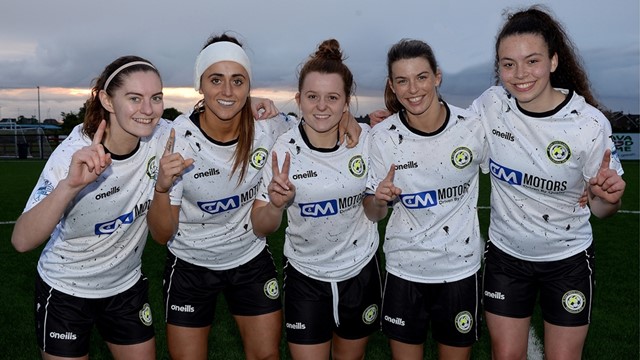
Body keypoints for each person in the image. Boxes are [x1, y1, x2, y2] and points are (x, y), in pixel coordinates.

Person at [147, 33, 361, 360]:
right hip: (190, 264)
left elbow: (316, 120)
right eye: (216, 80)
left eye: (238, 81)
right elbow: (162, 235)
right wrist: (161, 189)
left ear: (249, 86)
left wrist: (347, 119)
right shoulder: (178, 138)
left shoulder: (269, 128)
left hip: (249, 259)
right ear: (200, 84)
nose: (228, 91)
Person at [470, 7, 626, 360]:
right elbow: (443, 132)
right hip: (506, 257)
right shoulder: (491, 106)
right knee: (506, 355)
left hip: (567, 258)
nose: (520, 74)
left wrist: (608, 196)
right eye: (508, 64)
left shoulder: (588, 124)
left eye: (532, 61)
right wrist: (381, 122)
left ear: (554, 61)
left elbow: (602, 210)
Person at [11, 55, 169, 359]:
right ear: (108, 101)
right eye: (134, 98)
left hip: (125, 286)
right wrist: (69, 186)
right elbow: (21, 240)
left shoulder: (162, 135)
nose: (148, 110)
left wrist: (255, 106)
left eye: (156, 98)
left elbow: (209, 122)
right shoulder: (72, 154)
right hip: (65, 290)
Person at [251, 38, 382, 360]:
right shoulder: (282, 150)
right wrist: (275, 204)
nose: (322, 106)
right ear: (298, 99)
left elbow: (375, 214)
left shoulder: (366, 142)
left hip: (359, 270)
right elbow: (261, 226)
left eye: (332, 98)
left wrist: (379, 200)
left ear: (346, 103)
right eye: (312, 97)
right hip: (306, 277)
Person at [365, 39, 486, 360]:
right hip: (405, 270)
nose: (412, 88)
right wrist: (379, 200)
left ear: (437, 77)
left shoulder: (472, 128)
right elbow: (373, 212)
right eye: (402, 80)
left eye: (421, 77)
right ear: (392, 85)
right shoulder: (382, 137)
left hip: (460, 269)